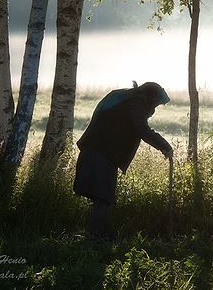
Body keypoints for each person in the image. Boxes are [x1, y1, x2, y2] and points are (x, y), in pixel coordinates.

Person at [74, 81, 173, 242]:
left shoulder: (124, 97)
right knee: (103, 197)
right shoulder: (137, 104)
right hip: (103, 152)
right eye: (156, 104)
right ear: (151, 98)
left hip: (94, 149)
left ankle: (103, 238)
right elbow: (142, 129)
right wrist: (165, 146)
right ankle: (97, 240)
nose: (154, 110)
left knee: (102, 197)